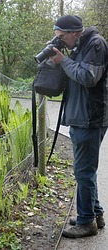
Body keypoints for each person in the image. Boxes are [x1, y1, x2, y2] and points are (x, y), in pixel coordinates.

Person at [50, 15, 108, 238]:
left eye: (62, 37)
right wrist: (60, 59)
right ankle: (95, 214)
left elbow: (87, 77)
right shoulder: (79, 46)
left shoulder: (96, 44)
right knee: (85, 171)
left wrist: (63, 61)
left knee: (83, 171)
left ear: (74, 32)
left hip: (90, 118)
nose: (61, 41)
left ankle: (86, 223)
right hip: (80, 117)